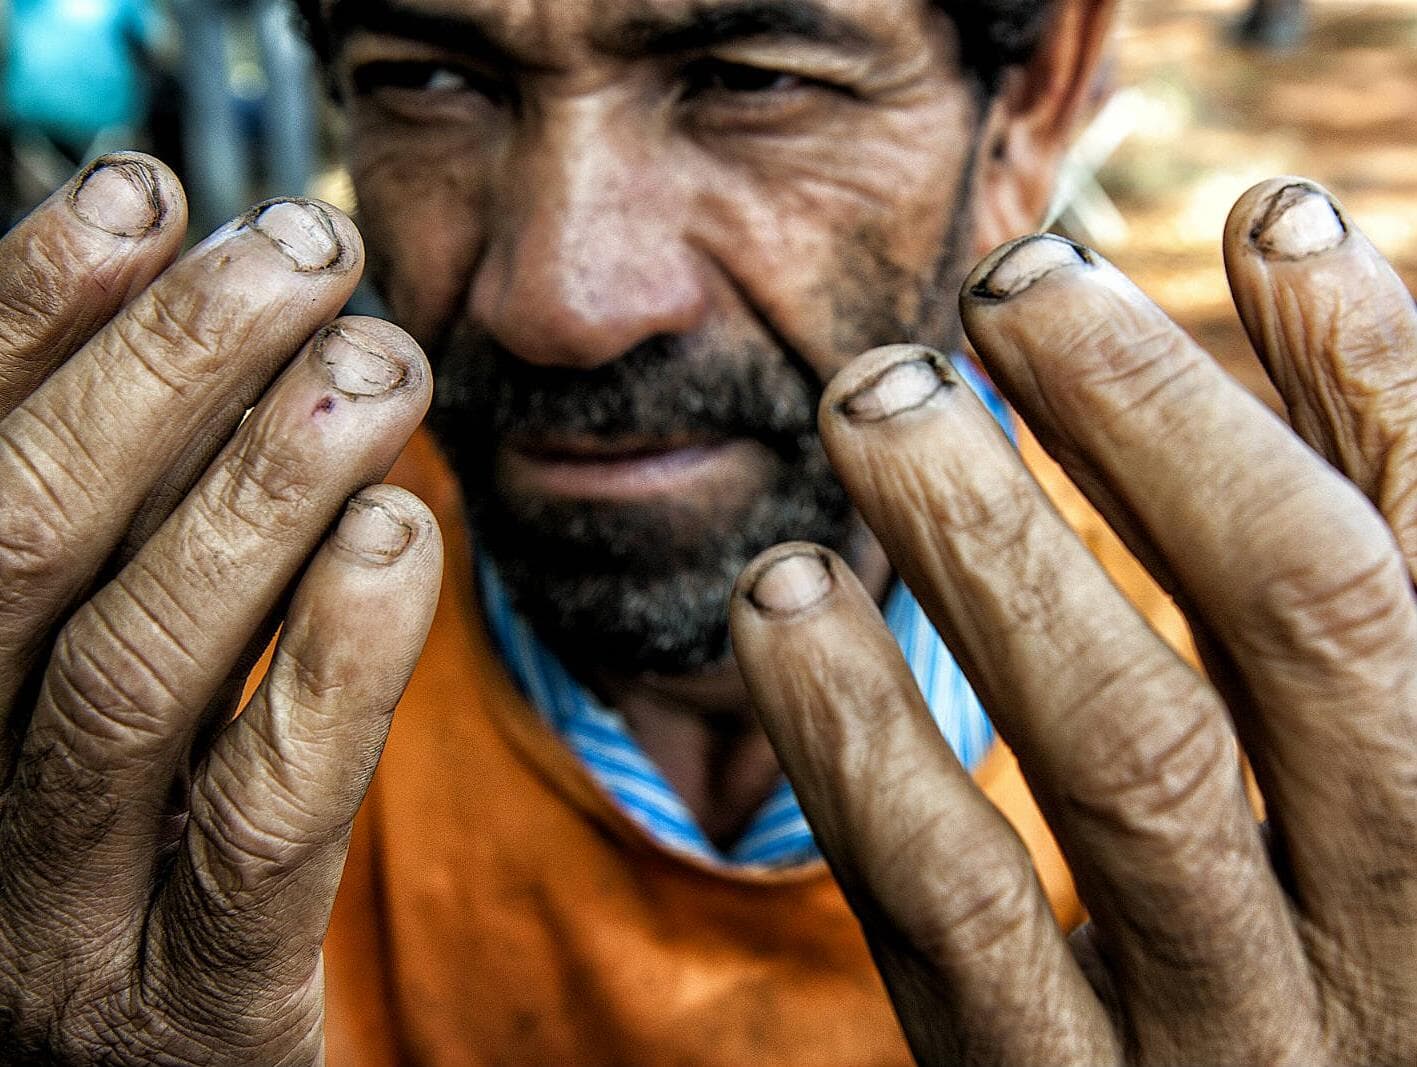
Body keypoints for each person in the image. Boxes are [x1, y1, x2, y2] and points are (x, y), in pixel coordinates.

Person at [0, 1, 1414, 1065]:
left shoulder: (1315, 764)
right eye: (429, 79)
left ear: (1031, 100)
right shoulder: (117, 731)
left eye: (749, 81)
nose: (560, 295)